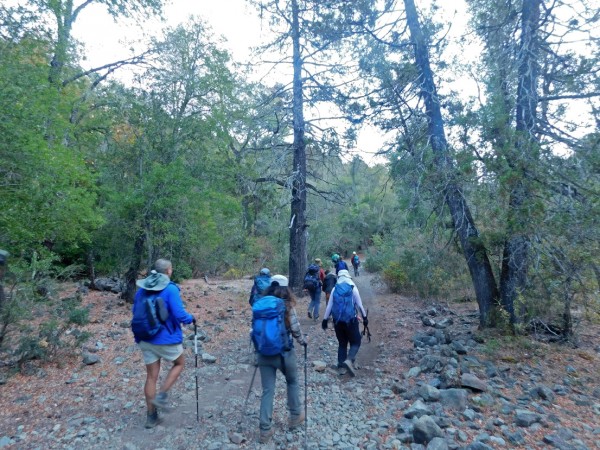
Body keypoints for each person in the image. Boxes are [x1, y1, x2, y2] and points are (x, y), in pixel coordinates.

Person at [132, 259, 195, 428]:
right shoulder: (170, 288)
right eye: (171, 269)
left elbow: (134, 312)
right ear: (168, 271)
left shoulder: (142, 290)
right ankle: (162, 396)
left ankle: (151, 416)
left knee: (151, 376)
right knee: (179, 363)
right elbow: (180, 314)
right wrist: (191, 318)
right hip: (166, 338)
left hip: (145, 338)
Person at [255, 275, 307, 443]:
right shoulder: (287, 306)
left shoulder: (261, 305)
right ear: (286, 288)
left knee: (268, 390)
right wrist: (302, 342)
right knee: (292, 381)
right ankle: (295, 416)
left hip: (264, 353)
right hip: (284, 353)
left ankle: (264, 430)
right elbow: (295, 328)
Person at [321, 269, 367, 377]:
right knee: (356, 341)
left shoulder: (334, 289)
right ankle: (349, 360)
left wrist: (324, 320)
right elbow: (360, 305)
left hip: (337, 322)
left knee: (342, 343)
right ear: (348, 276)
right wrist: (364, 318)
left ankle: (341, 366)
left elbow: (329, 306)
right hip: (351, 320)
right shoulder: (353, 288)